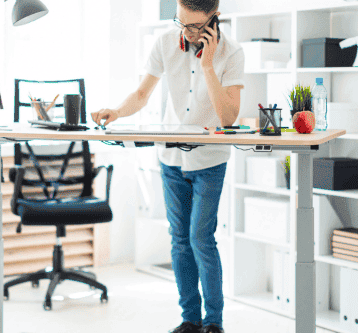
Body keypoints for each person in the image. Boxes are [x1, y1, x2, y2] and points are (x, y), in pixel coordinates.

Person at [91, 0, 244, 332]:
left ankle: (213, 323)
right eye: (180, 22)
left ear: (213, 20)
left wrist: (207, 66)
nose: (184, 32)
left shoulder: (231, 53)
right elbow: (143, 93)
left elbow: (228, 116)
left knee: (200, 237)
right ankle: (189, 320)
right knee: (179, 238)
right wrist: (116, 111)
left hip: (209, 161)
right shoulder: (164, 42)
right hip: (171, 158)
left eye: (192, 27)